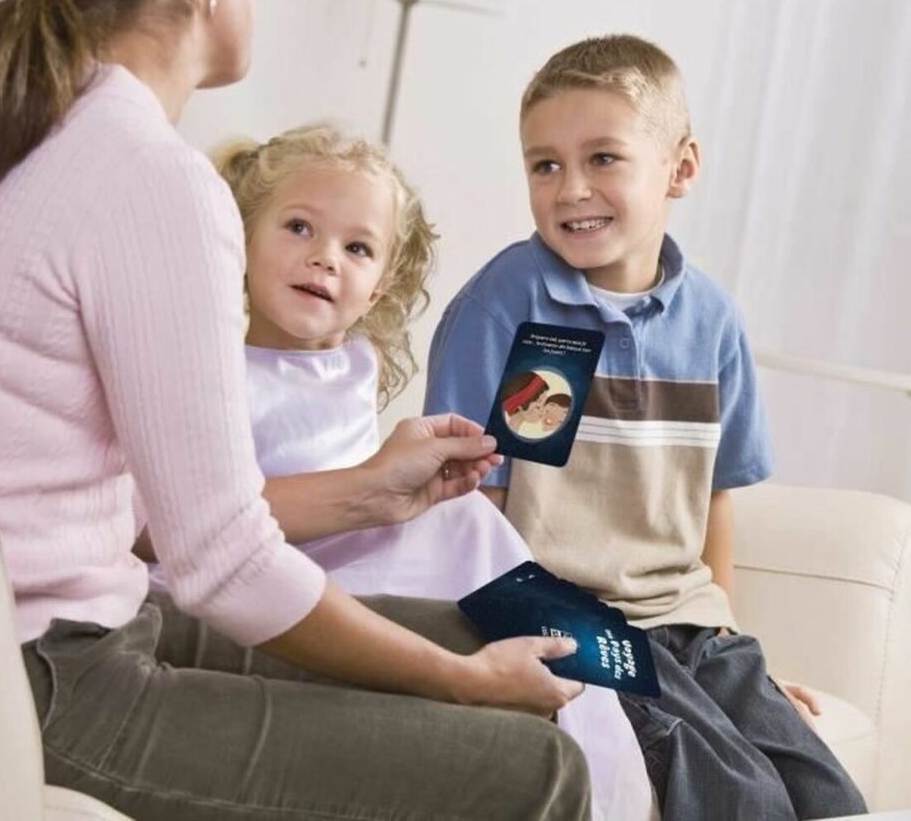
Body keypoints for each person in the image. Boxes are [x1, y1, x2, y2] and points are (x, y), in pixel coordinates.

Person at [0, 0, 593, 818]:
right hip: (41, 682)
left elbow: (149, 523)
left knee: (475, 632)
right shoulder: (150, 180)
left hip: (19, 643)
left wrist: (370, 500)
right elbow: (223, 564)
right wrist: (459, 685)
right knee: (538, 767)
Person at [424, 34, 868, 820]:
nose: (570, 189)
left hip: (688, 619)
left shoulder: (715, 322)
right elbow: (471, 508)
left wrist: (733, 657)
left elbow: (715, 499)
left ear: (681, 167)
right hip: (563, 614)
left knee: (824, 791)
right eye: (544, 165)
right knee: (743, 794)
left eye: (603, 158)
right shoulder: (510, 303)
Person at [184, 125, 655, 821]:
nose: (324, 258)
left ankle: (608, 754)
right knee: (468, 531)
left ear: (377, 290)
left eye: (357, 249)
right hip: (276, 562)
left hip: (356, 541)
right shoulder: (213, 361)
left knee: (477, 530)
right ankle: (594, 754)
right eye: (298, 228)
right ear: (242, 241)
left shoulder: (354, 362)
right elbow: (212, 508)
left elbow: (351, 465)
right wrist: (381, 486)